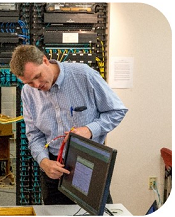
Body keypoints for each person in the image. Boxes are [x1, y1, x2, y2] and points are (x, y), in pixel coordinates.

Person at [9, 45, 128, 205]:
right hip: (53, 169)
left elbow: (117, 110)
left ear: (45, 60)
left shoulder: (83, 75)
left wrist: (89, 130)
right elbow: (34, 136)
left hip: (88, 165)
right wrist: (44, 162)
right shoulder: (28, 92)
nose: (37, 85)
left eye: (38, 76)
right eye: (30, 82)